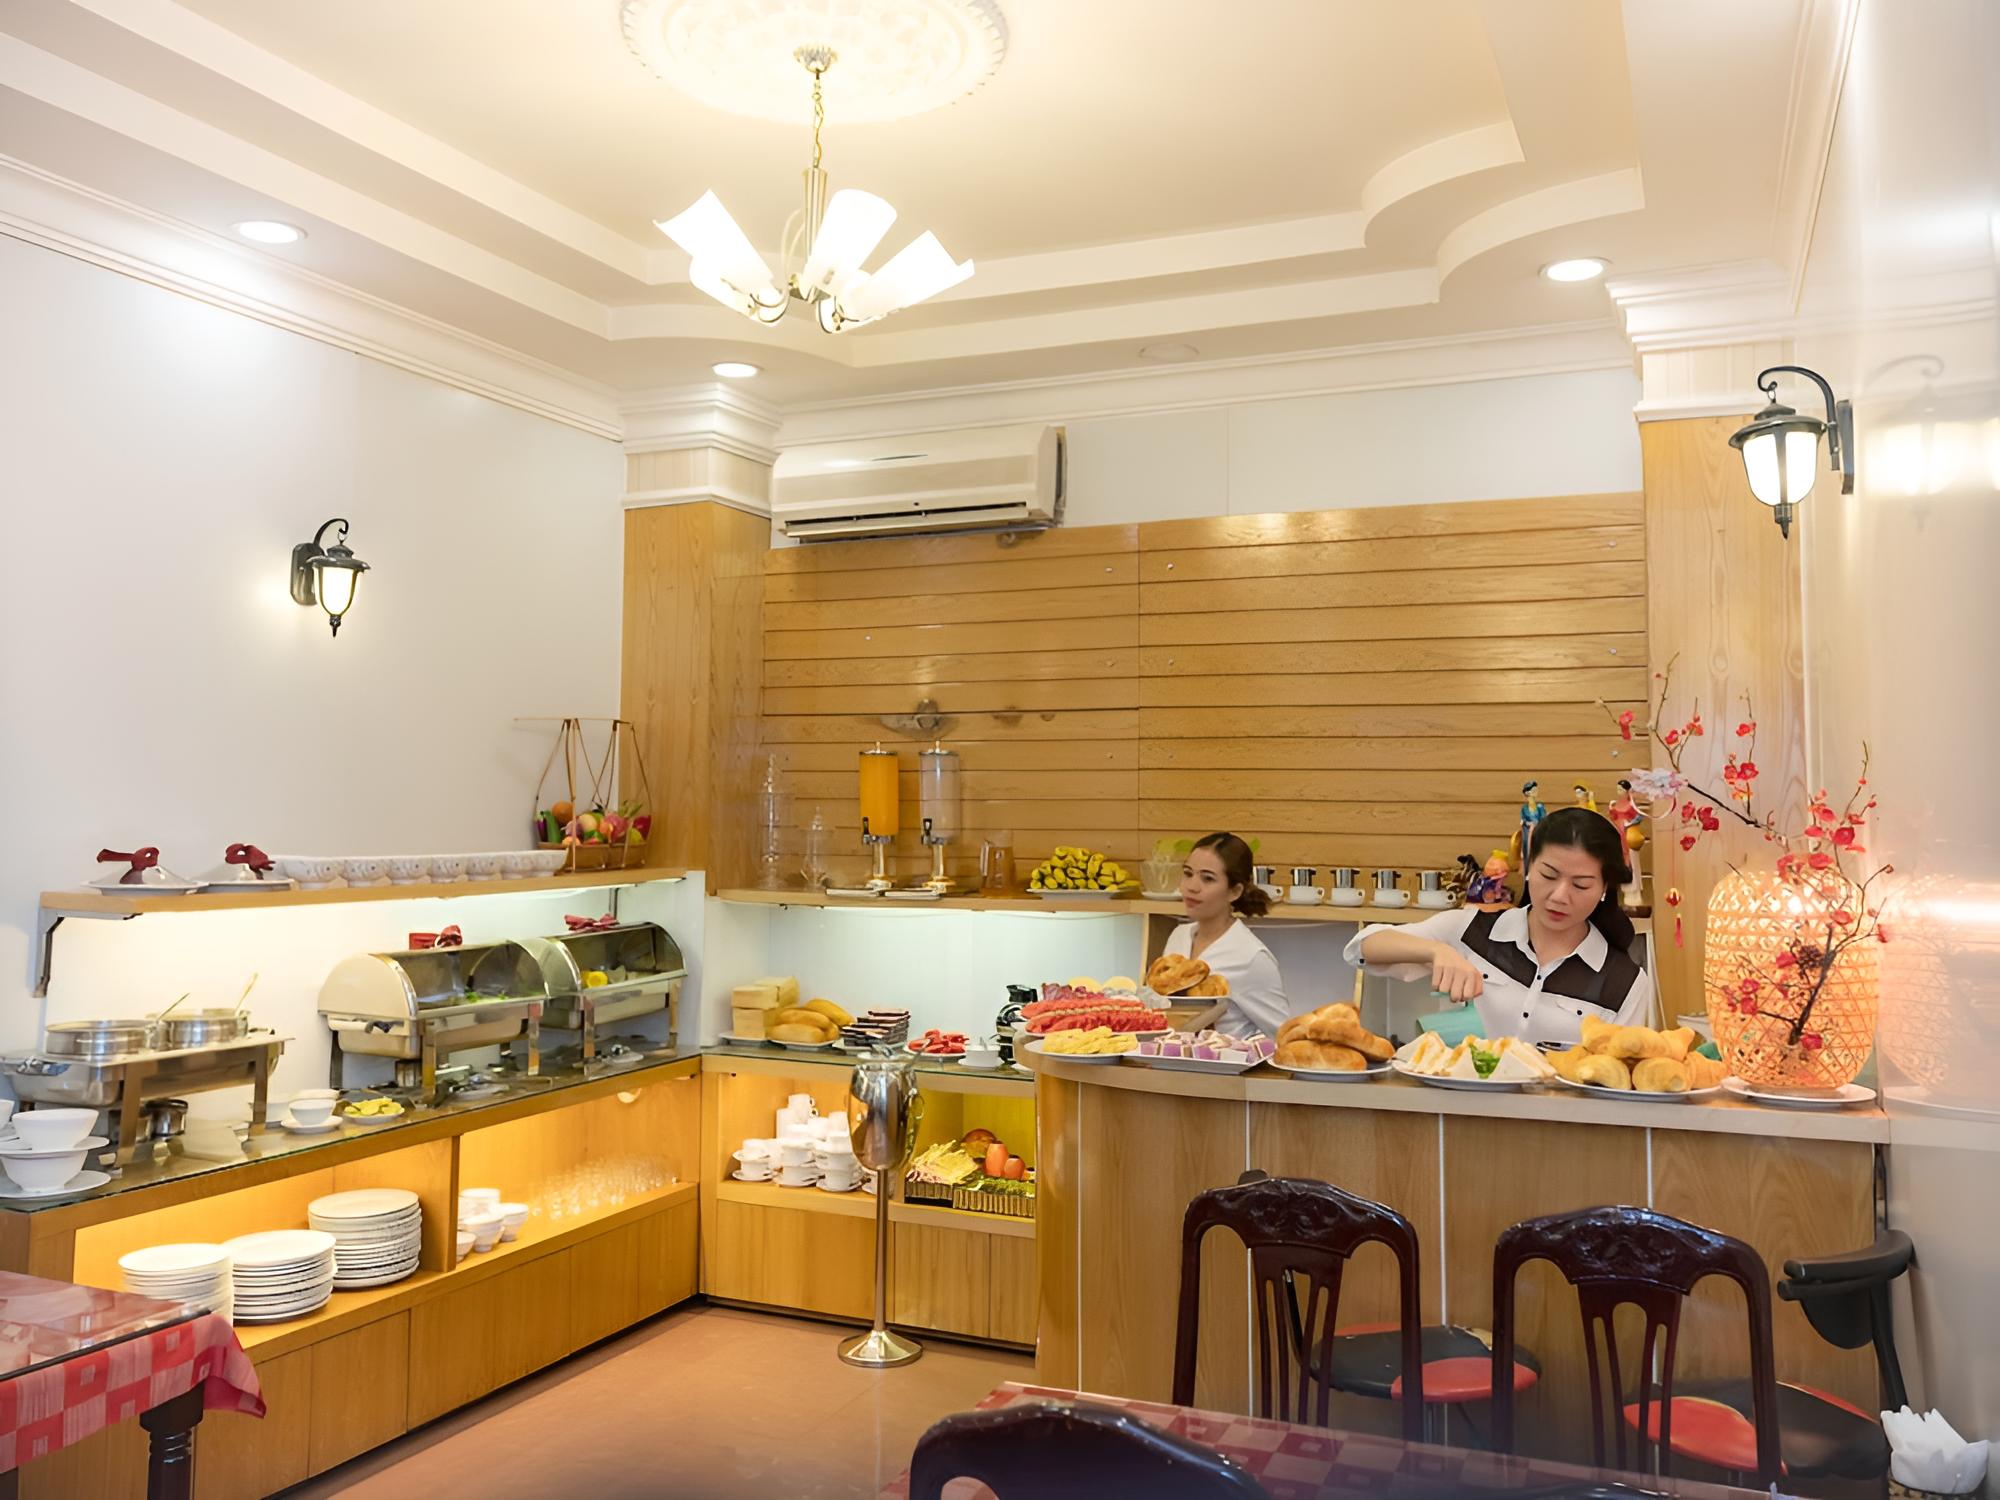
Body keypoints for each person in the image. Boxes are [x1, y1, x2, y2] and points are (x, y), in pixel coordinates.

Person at [1342, 807, 1653, 1045]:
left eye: (1581, 885)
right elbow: (1361, 948)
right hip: (1465, 1105)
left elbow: (1622, 1077)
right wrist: (1436, 951)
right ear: (1527, 867)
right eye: (1548, 875)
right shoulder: (1471, 929)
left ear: (1604, 889)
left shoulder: (1625, 982)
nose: (1560, 896)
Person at [1160, 832, 1289, 1038]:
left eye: (1208, 878)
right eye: (1188, 873)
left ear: (1234, 891)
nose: (1192, 886)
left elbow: (1283, 1034)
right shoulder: (1178, 936)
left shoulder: (1251, 956)